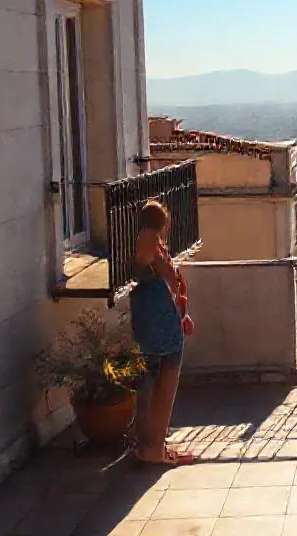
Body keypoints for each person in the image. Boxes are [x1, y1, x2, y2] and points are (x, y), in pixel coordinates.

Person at [129, 199, 194, 465]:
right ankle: (153, 449)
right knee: (163, 381)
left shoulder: (152, 240)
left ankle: (155, 443)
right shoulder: (148, 241)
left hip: (157, 316)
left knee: (154, 382)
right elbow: (150, 269)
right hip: (158, 320)